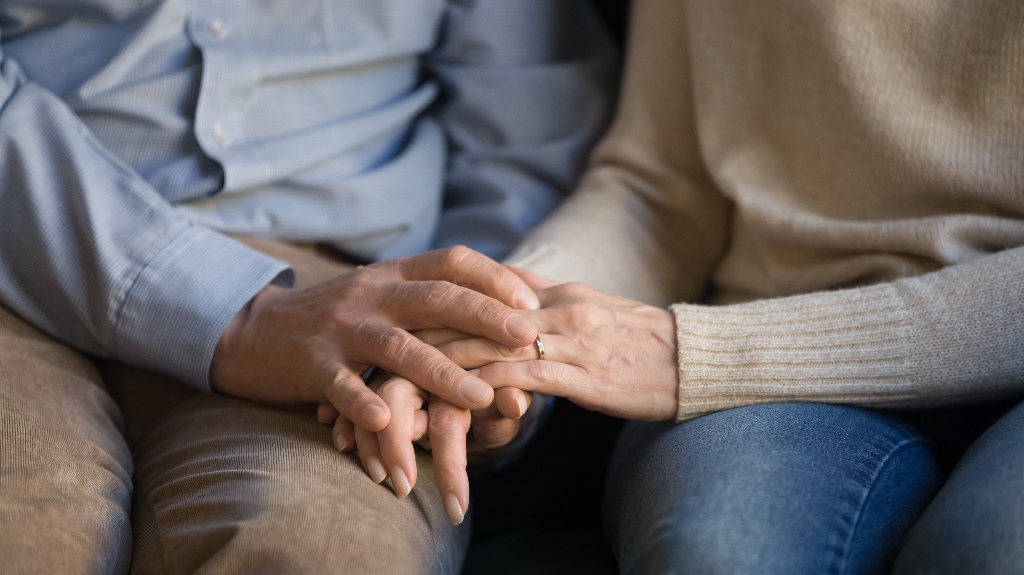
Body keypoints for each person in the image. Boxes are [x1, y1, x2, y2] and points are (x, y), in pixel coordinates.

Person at [373, 0, 1024, 573]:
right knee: (716, 554)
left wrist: (688, 352)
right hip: (769, 354)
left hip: (771, 350)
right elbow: (660, 189)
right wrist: (493, 324)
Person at [0, 1, 617, 572]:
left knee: (324, 550)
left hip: (347, 301)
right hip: (15, 259)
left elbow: (528, 138)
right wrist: (239, 317)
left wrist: (467, 341)